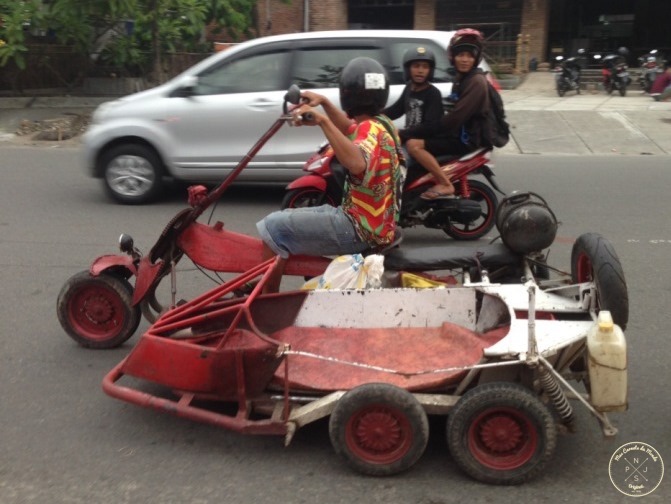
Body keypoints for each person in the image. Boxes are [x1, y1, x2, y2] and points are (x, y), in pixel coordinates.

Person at [256, 57, 403, 293]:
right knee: (290, 216)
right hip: (371, 223)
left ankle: (266, 303)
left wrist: (322, 121)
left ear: (347, 95)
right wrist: (323, 102)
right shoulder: (383, 124)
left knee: (274, 227)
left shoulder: (370, 129)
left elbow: (356, 164)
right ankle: (268, 282)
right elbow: (349, 129)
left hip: (357, 227)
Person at [399, 28, 491, 200]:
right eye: (460, 55)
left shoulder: (476, 82)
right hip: (457, 134)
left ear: (476, 58)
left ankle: (445, 183)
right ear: (453, 57)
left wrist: (417, 132)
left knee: (413, 145)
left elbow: (454, 119)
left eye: (469, 56)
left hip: (465, 140)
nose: (464, 60)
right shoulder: (463, 78)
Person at [383, 46, 445, 130]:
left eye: (425, 67)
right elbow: (396, 110)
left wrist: (401, 134)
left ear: (430, 70)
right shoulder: (409, 88)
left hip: (424, 139)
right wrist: (374, 115)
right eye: (416, 66)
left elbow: (430, 126)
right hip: (410, 137)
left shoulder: (433, 93)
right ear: (408, 69)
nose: (420, 71)